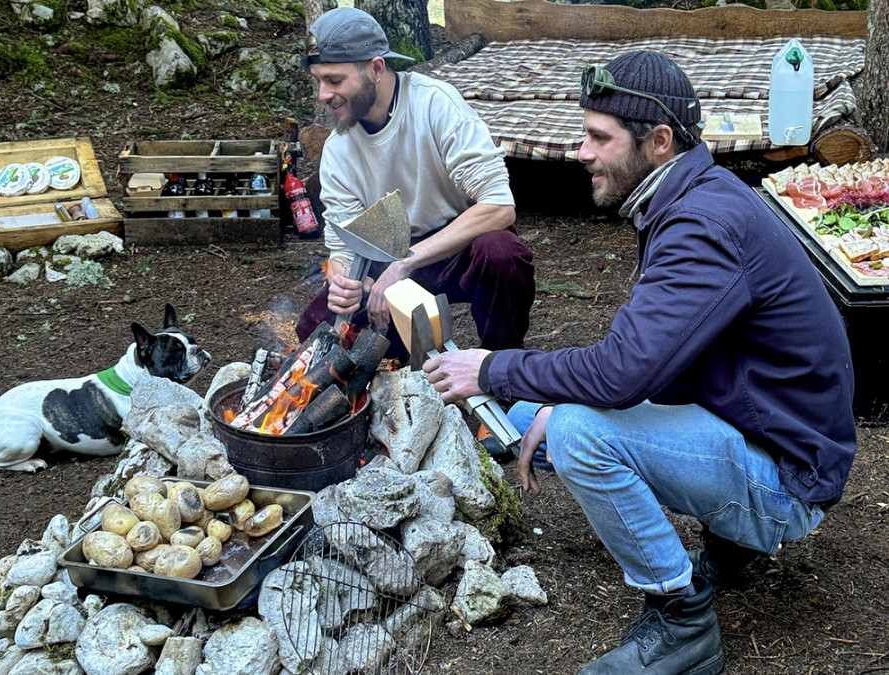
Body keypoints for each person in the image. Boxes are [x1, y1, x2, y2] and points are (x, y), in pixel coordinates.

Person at [423, 50, 856, 674]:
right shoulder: (691, 196)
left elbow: (623, 373)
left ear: (657, 141)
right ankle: (731, 547)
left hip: (790, 479)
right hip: (771, 429)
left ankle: (683, 623)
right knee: (535, 415)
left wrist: (491, 367)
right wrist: (551, 393)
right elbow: (662, 359)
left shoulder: (702, 226)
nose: (580, 151)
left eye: (599, 137)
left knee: (575, 431)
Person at [295, 7, 535, 360]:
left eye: (334, 80)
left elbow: (498, 206)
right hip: (388, 259)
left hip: (460, 247)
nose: (323, 95)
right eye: (318, 81)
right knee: (313, 328)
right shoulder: (338, 150)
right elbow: (345, 243)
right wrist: (345, 283)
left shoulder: (435, 104)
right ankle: (389, 387)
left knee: (502, 254)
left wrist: (405, 263)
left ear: (376, 68)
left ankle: (501, 367)